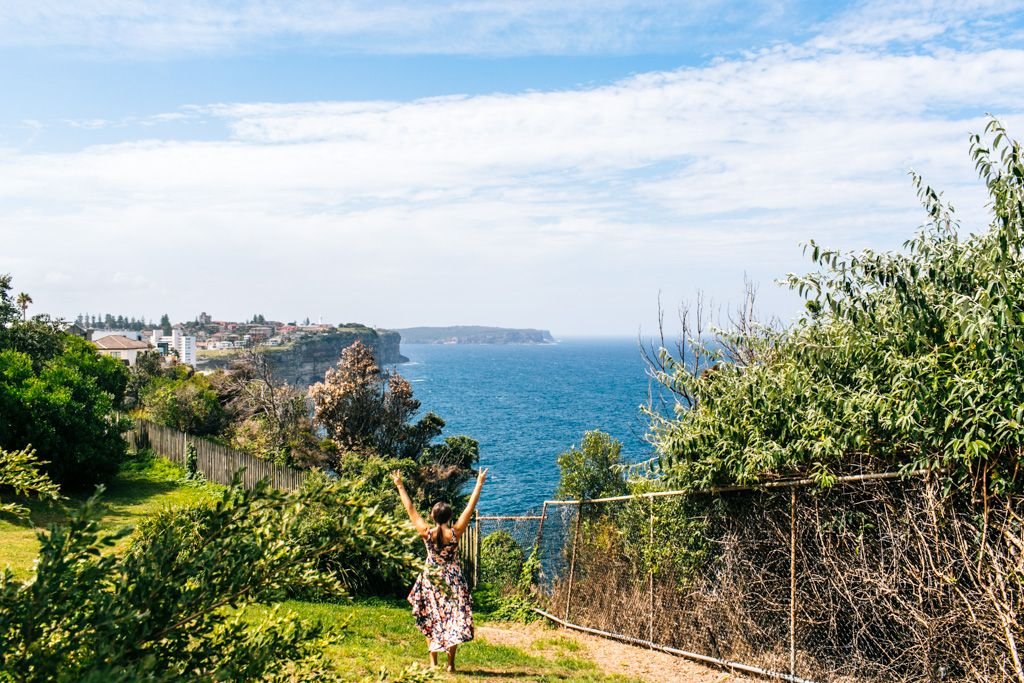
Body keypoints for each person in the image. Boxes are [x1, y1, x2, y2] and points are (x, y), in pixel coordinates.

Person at [391, 468, 488, 672]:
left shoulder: (426, 533)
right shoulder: (456, 533)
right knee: (453, 619)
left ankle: (433, 662)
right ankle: (450, 664)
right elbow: (470, 508)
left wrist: (400, 485)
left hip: (431, 578)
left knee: (431, 617)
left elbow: (410, 510)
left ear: (433, 516)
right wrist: (479, 483)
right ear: (450, 516)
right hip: (452, 580)